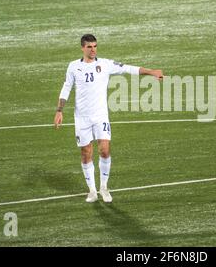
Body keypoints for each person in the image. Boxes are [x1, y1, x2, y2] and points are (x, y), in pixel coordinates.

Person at [54, 34, 164, 203]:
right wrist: (59, 110)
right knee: (86, 153)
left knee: (104, 149)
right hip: (82, 118)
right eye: (89, 47)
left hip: (100, 116)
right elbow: (66, 87)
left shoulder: (104, 64)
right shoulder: (74, 67)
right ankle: (92, 190)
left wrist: (151, 72)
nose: (93, 50)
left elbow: (128, 68)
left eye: (95, 46)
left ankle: (104, 187)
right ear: (82, 48)